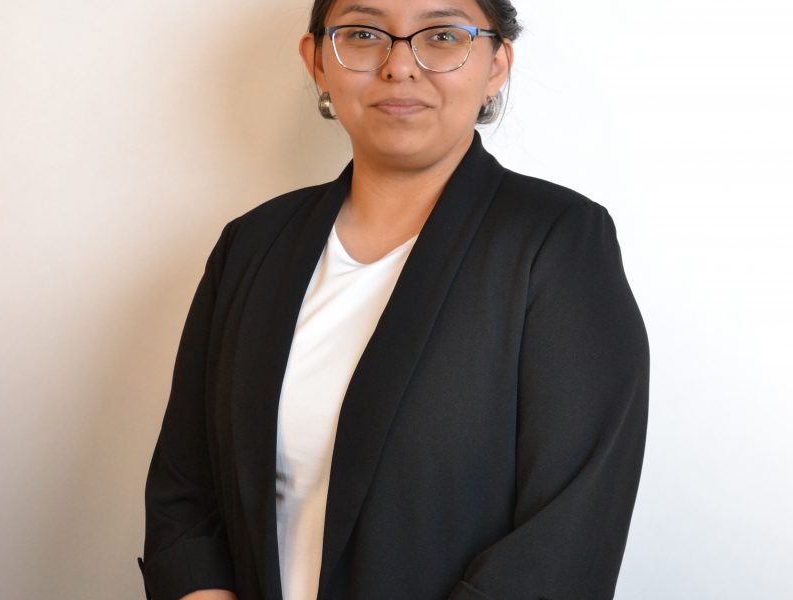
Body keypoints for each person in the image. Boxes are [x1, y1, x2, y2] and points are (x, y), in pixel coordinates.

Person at [138, 0, 650, 598]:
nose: (399, 65)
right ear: (317, 62)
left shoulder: (556, 243)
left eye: (441, 35)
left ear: (496, 63)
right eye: (362, 33)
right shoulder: (252, 246)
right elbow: (185, 487)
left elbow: (568, 534)